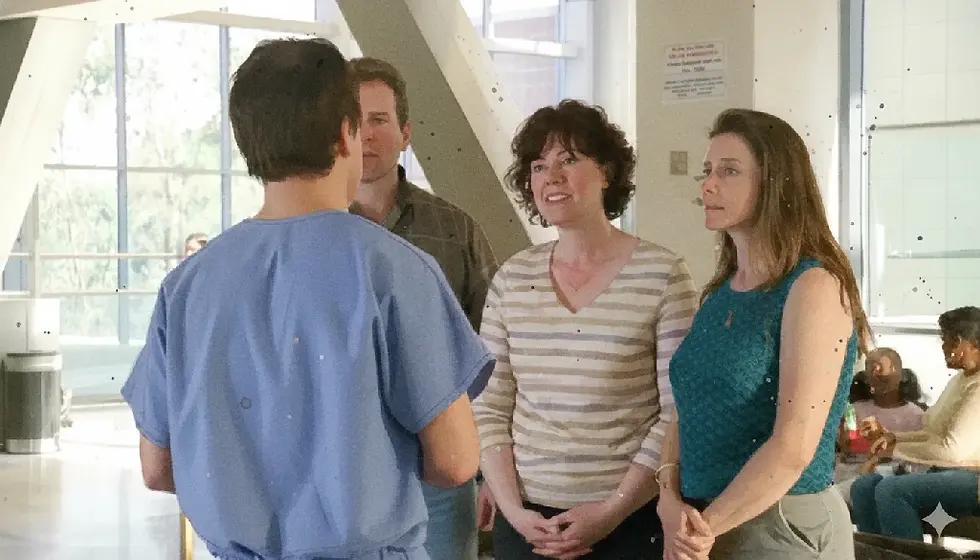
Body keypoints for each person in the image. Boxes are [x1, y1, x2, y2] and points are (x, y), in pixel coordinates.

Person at [120, 38, 494, 560]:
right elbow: (455, 460)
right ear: (347, 132)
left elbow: (157, 467)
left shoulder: (187, 286)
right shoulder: (393, 269)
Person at [473, 99, 698, 559]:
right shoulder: (513, 278)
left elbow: (678, 411)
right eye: (538, 166)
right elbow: (489, 407)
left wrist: (612, 511)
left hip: (628, 523)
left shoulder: (663, 274)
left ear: (608, 173)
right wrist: (515, 512)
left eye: (569, 160)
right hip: (529, 526)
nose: (551, 177)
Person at [659, 108, 871, 559]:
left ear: (776, 183)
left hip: (779, 522)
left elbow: (794, 447)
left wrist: (701, 530)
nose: (708, 185)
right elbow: (687, 407)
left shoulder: (813, 287)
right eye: (708, 171)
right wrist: (668, 492)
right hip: (705, 521)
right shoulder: (719, 292)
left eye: (729, 171)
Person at [347, 56, 499, 560]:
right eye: (353, 119)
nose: (366, 135)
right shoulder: (313, 236)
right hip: (345, 471)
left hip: (441, 467)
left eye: (379, 120)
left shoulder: (454, 232)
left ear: (405, 132)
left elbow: (494, 351)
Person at [850, 306, 980, 542]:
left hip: (972, 481)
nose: (943, 346)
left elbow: (952, 451)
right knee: (864, 486)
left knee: (892, 491)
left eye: (949, 339)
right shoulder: (960, 380)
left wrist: (895, 448)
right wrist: (893, 437)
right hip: (943, 470)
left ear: (969, 343)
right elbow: (931, 432)